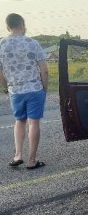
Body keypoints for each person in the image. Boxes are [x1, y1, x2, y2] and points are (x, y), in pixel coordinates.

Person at [0, 13, 48, 169]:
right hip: (34, 88)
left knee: (19, 121)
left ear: (8, 26)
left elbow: (0, 71)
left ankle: (18, 155)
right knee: (34, 123)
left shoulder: (2, 45)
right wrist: (44, 88)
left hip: (15, 90)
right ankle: (32, 160)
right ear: (22, 24)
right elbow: (44, 70)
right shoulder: (32, 43)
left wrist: (5, 87)